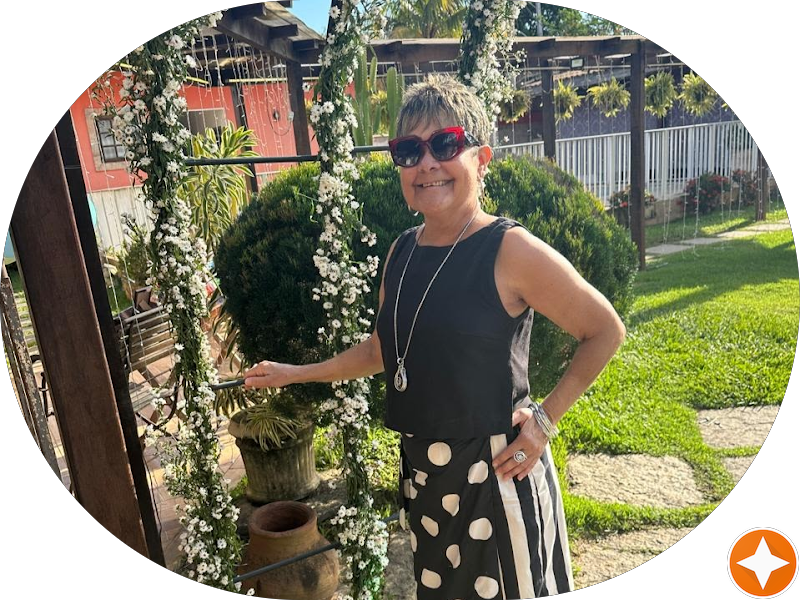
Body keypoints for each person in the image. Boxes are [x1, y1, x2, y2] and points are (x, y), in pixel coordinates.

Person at [244, 74, 626, 599]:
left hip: (497, 479)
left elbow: (604, 330)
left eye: (445, 144)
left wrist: (544, 421)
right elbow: (383, 350)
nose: (426, 163)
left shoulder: (509, 250)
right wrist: (295, 373)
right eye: (409, 150)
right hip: (425, 481)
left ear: (481, 159)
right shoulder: (401, 252)